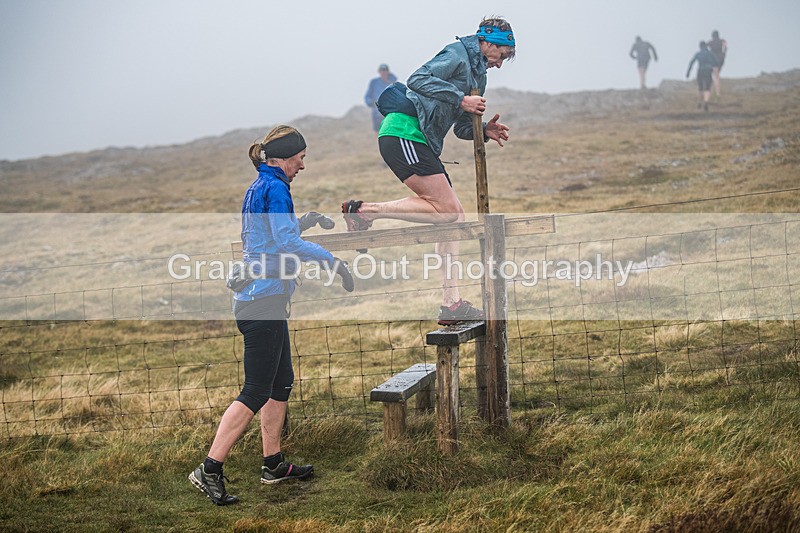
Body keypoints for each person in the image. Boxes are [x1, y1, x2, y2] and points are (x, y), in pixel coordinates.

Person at [189, 125, 353, 505]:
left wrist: (307, 219)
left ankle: (273, 464)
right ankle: (208, 469)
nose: (303, 165)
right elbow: (284, 241)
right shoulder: (276, 187)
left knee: (280, 384)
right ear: (282, 158)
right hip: (261, 300)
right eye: (300, 158)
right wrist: (332, 261)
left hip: (263, 297)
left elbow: (271, 235)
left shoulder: (260, 184)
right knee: (257, 389)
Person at [342, 16, 515, 325]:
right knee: (448, 212)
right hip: (403, 132)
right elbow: (418, 79)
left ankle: (451, 305)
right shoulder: (458, 53)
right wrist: (461, 99)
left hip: (420, 139)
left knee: (453, 217)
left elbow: (461, 126)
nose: (500, 64)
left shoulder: (479, 74)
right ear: (488, 43)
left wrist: (483, 130)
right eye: (501, 56)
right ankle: (364, 211)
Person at [364, 64, 398, 132]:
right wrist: (371, 103)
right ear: (379, 72)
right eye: (381, 70)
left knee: (390, 131)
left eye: (385, 70)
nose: (383, 72)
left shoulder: (393, 83)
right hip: (377, 113)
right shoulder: (374, 82)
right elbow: (367, 96)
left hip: (390, 113)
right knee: (378, 131)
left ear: (388, 71)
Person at [686, 41, 716, 112]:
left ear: (700, 47)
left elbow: (691, 62)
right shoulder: (711, 53)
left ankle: (700, 102)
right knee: (707, 88)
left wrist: (688, 72)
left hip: (701, 71)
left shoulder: (698, 54)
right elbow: (716, 62)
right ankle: (706, 102)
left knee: (700, 88)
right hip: (708, 71)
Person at [708, 30, 728, 97]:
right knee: (717, 75)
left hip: (713, 60)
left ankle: (717, 92)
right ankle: (717, 92)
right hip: (721, 59)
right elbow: (725, 46)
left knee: (715, 76)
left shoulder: (710, 42)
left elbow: (706, 48)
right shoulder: (722, 41)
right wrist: (724, 54)